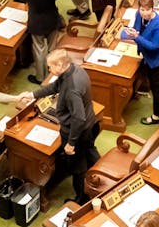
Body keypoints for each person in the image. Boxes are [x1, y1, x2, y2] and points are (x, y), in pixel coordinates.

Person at [20, 50, 99, 203]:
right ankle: (100, 173)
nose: (48, 70)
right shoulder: (75, 69)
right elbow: (55, 87)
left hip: (77, 129)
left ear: (60, 65)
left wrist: (71, 143)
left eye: (50, 67)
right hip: (90, 121)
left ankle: (81, 198)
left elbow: (78, 118)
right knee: (89, 149)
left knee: (77, 167)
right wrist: (32, 95)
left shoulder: (72, 89)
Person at [122, 0, 159, 125]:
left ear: (152, 9)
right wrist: (132, 32)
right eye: (141, 10)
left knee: (158, 87)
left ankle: (158, 116)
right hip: (147, 56)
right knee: (153, 81)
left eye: (147, 10)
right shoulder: (139, 15)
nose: (144, 13)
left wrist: (136, 37)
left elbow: (154, 46)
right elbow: (137, 27)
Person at [20, 0, 62, 83]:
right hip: (52, 19)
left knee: (39, 50)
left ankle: (40, 77)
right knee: (52, 47)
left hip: (36, 22)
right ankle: (53, 74)